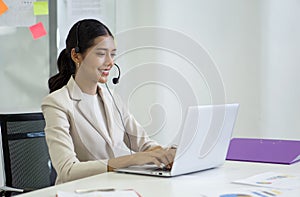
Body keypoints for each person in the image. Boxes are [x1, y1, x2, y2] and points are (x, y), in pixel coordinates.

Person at [41, 19, 175, 184]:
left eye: (112, 54)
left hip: (116, 188)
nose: (110, 62)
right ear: (76, 55)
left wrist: (165, 155)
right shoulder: (57, 103)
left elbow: (144, 144)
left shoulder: (113, 99)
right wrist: (132, 160)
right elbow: (67, 170)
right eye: (101, 54)